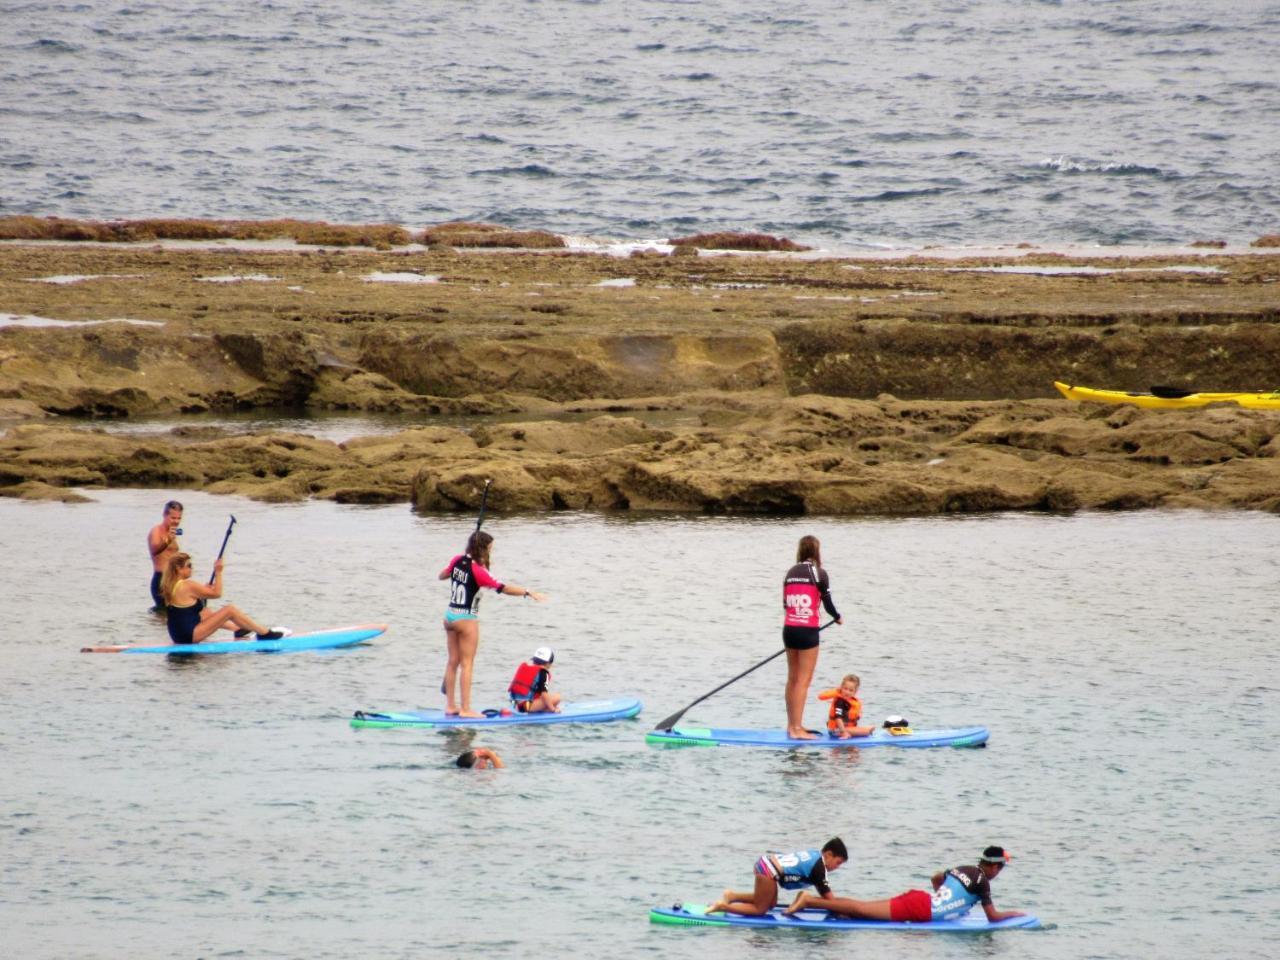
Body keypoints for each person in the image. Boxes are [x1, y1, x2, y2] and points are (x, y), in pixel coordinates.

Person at [438, 531, 546, 718]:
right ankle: (465, 709)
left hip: (449, 616)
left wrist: (457, 567)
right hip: (466, 619)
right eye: (490, 548)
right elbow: (503, 588)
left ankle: (450, 706)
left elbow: (442, 575)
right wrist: (528, 592)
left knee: (452, 661)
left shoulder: (457, 560)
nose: (491, 551)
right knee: (467, 664)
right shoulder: (479, 572)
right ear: (483, 549)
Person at [784, 846, 1026, 924]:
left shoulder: (966, 868)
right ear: (993, 866)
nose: (999, 872)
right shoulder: (983, 882)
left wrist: (945, 899)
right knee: (859, 910)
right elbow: (993, 917)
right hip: (919, 910)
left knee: (860, 907)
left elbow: (936, 878)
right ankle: (809, 900)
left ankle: (816, 902)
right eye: (1001, 868)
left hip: (919, 899)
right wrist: (1013, 914)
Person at [782, 535, 842, 739]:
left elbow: (785, 604)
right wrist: (837, 617)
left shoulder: (790, 573)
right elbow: (827, 603)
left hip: (789, 629)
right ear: (816, 552)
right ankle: (798, 729)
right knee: (803, 681)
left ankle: (792, 726)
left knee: (792, 679)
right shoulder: (819, 573)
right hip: (807, 631)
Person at [160, 552, 285, 645]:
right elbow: (217, 594)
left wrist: (203, 592)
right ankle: (264, 634)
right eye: (189, 565)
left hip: (177, 635)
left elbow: (188, 605)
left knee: (206, 612)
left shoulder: (171, 585)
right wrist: (218, 572)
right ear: (178, 569)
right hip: (188, 636)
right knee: (229, 610)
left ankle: (238, 629)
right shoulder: (187, 585)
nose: (192, 568)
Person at [706, 838, 848, 917]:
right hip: (769, 870)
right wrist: (845, 912)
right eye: (838, 862)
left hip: (767, 863)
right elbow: (830, 900)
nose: (837, 867)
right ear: (828, 855)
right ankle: (723, 907)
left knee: (770, 903)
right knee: (760, 910)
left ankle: (732, 896)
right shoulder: (819, 868)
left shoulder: (815, 854)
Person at [147, 500, 184, 611]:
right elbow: (154, 550)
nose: (176, 521)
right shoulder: (156, 531)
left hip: (175, 579)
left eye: (179, 518)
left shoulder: (173, 532)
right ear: (165, 515)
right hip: (162, 579)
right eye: (173, 518)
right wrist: (168, 540)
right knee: (165, 618)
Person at [818, 673, 874, 738]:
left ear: (855, 692)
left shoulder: (851, 701)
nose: (847, 692)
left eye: (851, 690)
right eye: (845, 689)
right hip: (836, 730)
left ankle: (858, 731)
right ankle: (848, 733)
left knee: (870, 728)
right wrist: (843, 732)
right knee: (867, 731)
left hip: (844, 728)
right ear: (841, 688)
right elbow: (838, 719)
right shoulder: (840, 702)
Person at [508, 646, 563, 713]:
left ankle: (542, 709)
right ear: (548, 663)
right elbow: (544, 695)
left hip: (514, 705)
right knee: (557, 697)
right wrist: (553, 709)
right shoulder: (544, 673)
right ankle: (547, 709)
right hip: (525, 707)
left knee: (546, 699)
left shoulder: (525, 668)